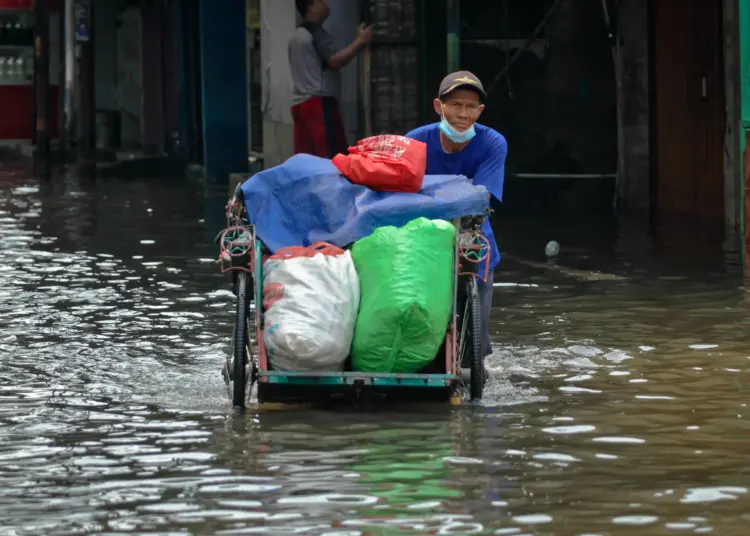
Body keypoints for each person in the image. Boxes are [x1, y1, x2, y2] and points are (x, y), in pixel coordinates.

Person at [405, 71, 507, 371]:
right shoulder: (415, 142)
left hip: (471, 234)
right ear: (439, 106)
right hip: (422, 235)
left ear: (480, 111)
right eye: (455, 105)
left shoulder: (492, 143)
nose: (463, 114)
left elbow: (484, 197)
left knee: (474, 336)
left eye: (470, 107)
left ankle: (469, 362)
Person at [289, 0, 372, 158]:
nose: (326, 5)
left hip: (299, 104)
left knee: (307, 157)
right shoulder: (315, 34)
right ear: (310, 6)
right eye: (320, 1)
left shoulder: (296, 35)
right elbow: (334, 60)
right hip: (318, 103)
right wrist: (360, 41)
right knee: (331, 156)